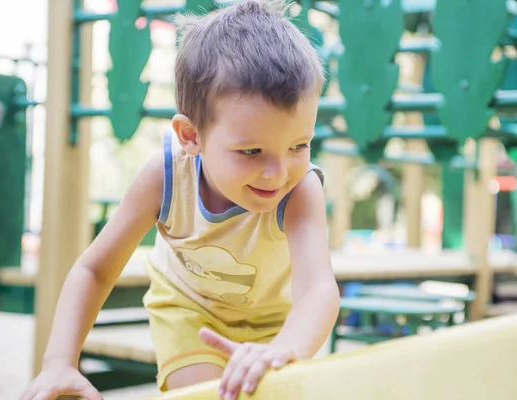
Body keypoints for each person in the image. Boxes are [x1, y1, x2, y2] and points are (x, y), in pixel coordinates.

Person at [20, 1, 340, 399]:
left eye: (299, 145)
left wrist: (283, 348)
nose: (278, 172)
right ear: (191, 136)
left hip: (278, 325)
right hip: (191, 315)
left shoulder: (300, 190)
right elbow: (94, 270)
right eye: (251, 152)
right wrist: (59, 363)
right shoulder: (165, 177)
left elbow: (318, 291)